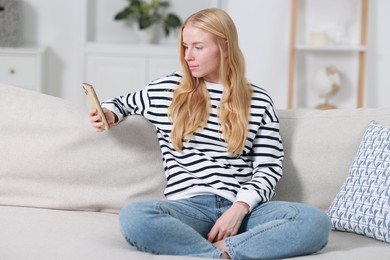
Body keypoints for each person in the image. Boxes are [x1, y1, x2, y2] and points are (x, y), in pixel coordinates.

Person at [89, 8, 330, 260]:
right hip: (188, 208)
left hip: (245, 210)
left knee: (315, 222)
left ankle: (227, 248)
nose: (188, 56)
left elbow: (268, 166)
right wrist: (109, 113)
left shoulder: (258, 100)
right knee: (135, 216)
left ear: (225, 47)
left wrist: (239, 208)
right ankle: (217, 255)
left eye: (198, 47)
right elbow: (121, 103)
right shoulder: (168, 89)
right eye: (185, 46)